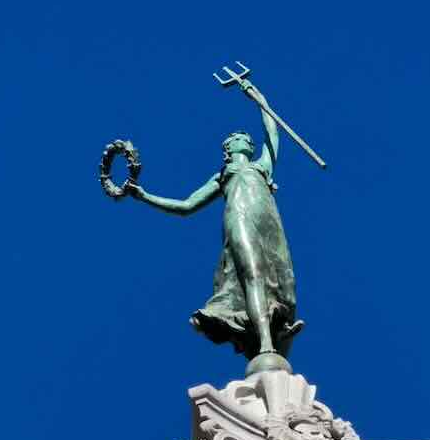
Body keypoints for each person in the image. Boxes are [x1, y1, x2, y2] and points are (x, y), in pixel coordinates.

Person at [126, 87, 303, 364]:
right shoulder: (222, 176)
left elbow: (273, 132)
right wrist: (144, 195)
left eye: (245, 137)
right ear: (227, 150)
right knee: (252, 272)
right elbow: (186, 206)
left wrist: (259, 99)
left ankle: (279, 332)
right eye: (235, 138)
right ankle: (266, 342)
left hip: (269, 223)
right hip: (239, 219)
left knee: (281, 276)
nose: (242, 138)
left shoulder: (262, 167)